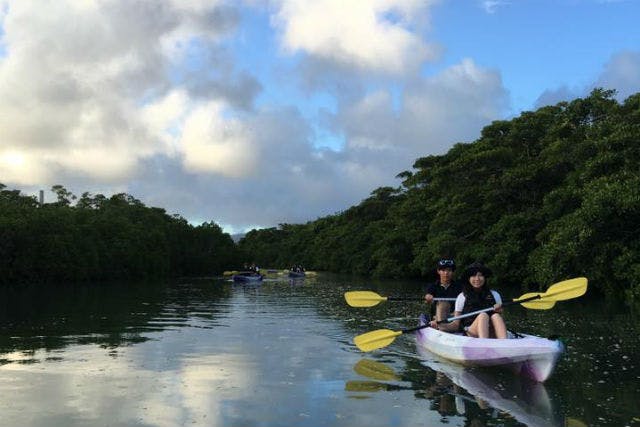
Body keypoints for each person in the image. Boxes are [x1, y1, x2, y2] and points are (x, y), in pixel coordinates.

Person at [431, 261, 507, 339]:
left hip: (491, 331)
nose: (477, 279)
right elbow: (455, 325)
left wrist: (500, 311)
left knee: (496, 316)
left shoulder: (495, 295)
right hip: (472, 331)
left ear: (485, 278)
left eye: (480, 275)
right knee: (483, 315)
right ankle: (483, 343)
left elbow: (501, 320)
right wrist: (439, 325)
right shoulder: (462, 296)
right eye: (473, 276)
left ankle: (504, 342)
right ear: (469, 279)